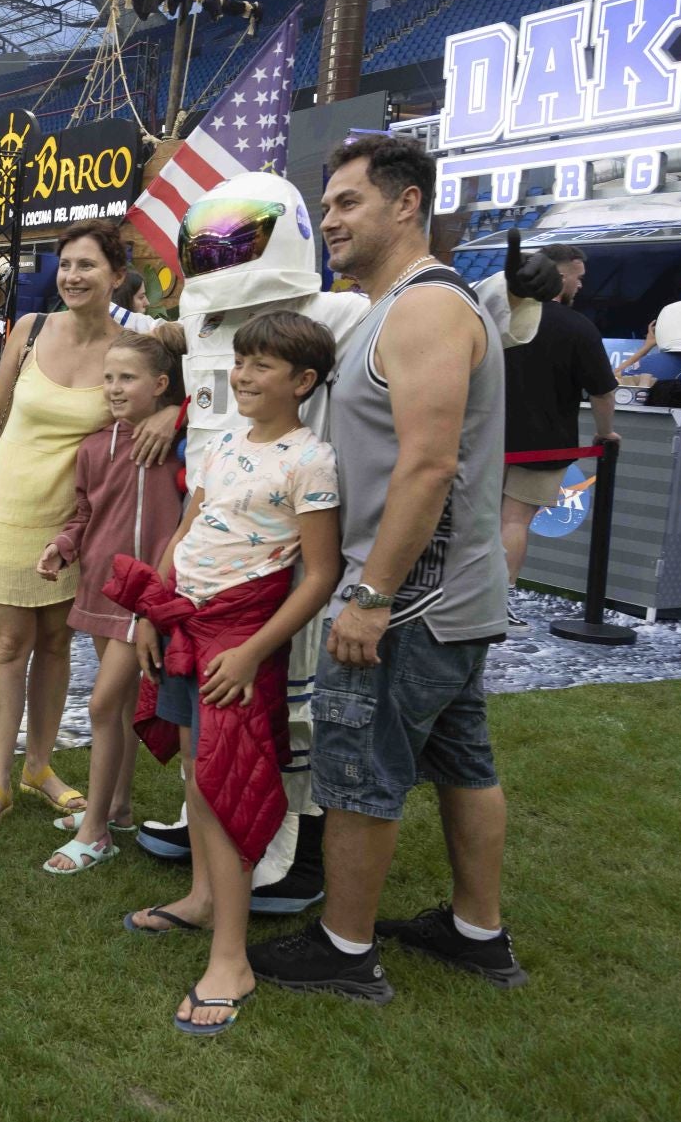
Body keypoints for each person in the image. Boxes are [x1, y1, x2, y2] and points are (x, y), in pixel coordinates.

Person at [136, 163, 557, 917]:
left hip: (291, 542)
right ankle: (209, 827)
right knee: (210, 704)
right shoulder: (201, 321)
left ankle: (288, 850)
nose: (219, 256)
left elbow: (456, 316)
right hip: (212, 537)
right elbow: (161, 345)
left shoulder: (331, 312)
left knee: (288, 709)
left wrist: (518, 292)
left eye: (236, 240)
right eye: (208, 242)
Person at [249, 134, 528, 1003]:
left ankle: (346, 949)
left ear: (406, 204)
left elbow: (428, 464)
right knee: (463, 761)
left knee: (361, 769)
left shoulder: (425, 309)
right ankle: (478, 931)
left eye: (346, 201)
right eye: (328, 203)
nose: (328, 217)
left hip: (407, 599)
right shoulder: (396, 303)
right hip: (448, 597)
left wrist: (370, 596)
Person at [111, 312, 343, 1035]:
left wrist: (251, 652)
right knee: (194, 770)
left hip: (238, 639)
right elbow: (187, 531)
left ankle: (231, 958)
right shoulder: (217, 446)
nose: (241, 375)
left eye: (261, 366)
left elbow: (320, 573)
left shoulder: (311, 459)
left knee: (226, 781)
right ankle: (204, 898)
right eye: (240, 362)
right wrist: (154, 607)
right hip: (185, 625)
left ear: (302, 381)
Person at [0, 219, 127, 838]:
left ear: (117, 277)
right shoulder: (29, 330)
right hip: (7, 506)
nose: (74, 277)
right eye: (68, 265)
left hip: (77, 521)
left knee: (57, 645)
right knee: (6, 646)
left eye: (88, 266)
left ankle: (39, 767)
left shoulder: (134, 345)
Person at [34, 330, 185, 874]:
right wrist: (63, 547)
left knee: (101, 705)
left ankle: (95, 832)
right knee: (116, 708)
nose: (115, 388)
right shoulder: (94, 448)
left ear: (161, 384)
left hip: (151, 597)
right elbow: (85, 515)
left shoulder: (182, 438)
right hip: (100, 588)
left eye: (129, 378)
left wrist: (177, 413)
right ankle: (116, 807)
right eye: (109, 378)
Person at [501, 244, 619, 627]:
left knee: (482, 524)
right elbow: (602, 391)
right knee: (514, 522)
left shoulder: (500, 316)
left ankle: (468, 598)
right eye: (578, 277)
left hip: (484, 440)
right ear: (560, 275)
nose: (581, 285)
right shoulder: (577, 327)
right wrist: (606, 434)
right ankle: (497, 602)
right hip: (543, 443)